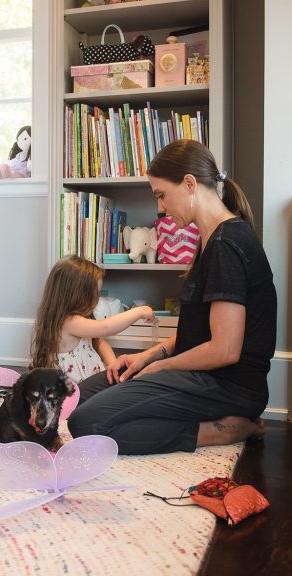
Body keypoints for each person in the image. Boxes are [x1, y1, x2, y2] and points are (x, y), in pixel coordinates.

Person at [67, 140, 275, 454]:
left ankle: (217, 432)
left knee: (87, 424)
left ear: (190, 184)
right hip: (198, 374)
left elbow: (225, 350)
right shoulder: (209, 240)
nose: (161, 208)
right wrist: (148, 357)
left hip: (228, 386)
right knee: (80, 397)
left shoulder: (226, 243)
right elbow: (197, 334)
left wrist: (163, 369)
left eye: (162, 195)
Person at [29, 255, 154, 383]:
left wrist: (113, 364)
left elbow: (99, 342)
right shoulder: (68, 322)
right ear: (76, 295)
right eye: (94, 295)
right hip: (77, 394)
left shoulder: (79, 318)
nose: (97, 300)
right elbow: (105, 328)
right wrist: (140, 311)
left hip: (91, 383)